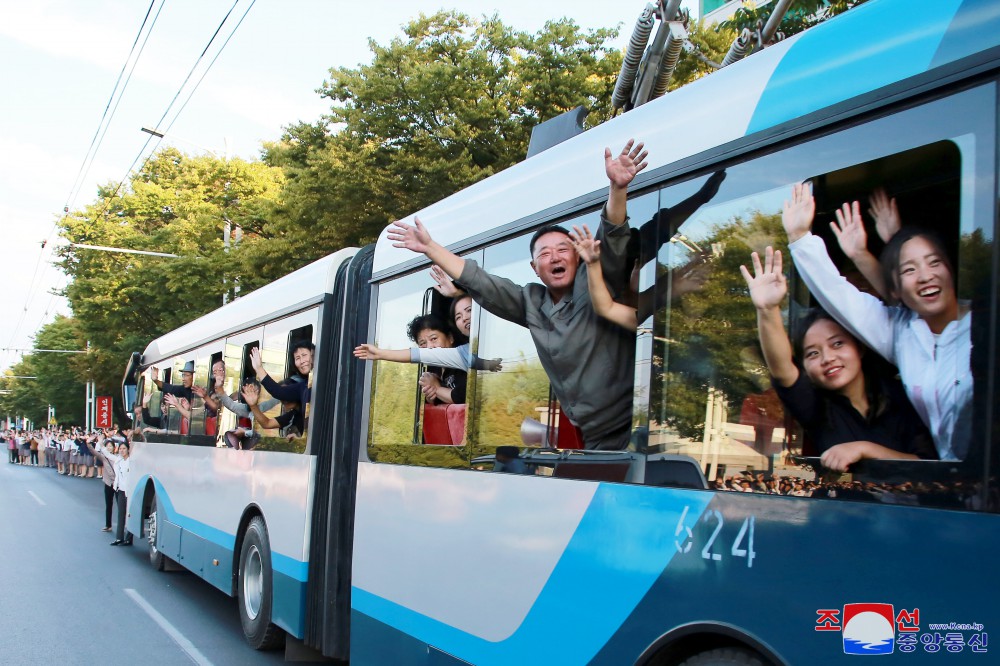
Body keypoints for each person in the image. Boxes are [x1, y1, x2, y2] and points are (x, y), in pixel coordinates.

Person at [385, 140, 648, 450]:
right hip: (591, 436)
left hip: (633, 425)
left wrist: (617, 189)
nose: (554, 257)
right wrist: (431, 248)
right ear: (535, 268)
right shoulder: (531, 302)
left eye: (563, 250)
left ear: (577, 257)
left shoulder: (592, 282)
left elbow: (612, 238)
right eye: (545, 254)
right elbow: (481, 281)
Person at [782, 182, 971, 461]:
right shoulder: (904, 334)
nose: (925, 275)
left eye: (934, 263)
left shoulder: (984, 326)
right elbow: (841, 296)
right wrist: (800, 238)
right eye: (909, 269)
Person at [740, 246, 936, 471]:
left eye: (837, 344)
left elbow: (929, 467)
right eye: (813, 353)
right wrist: (767, 309)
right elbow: (783, 369)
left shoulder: (903, 395)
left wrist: (864, 449)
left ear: (860, 348)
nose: (827, 358)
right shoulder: (816, 408)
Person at [105, 438, 132, 546]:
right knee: (121, 513)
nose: (122, 450)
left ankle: (129, 539)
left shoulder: (132, 461)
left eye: (124, 448)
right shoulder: (118, 460)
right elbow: (107, 454)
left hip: (130, 490)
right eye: (120, 448)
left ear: (128, 449)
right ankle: (119, 538)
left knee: (129, 514)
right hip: (120, 489)